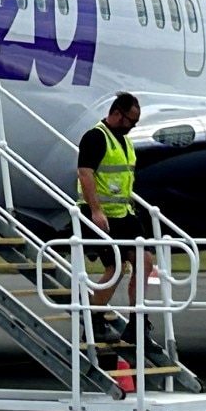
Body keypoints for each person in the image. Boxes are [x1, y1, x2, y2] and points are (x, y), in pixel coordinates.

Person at [75, 92, 150, 343]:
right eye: (131, 121)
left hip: (123, 213)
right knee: (116, 268)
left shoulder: (124, 141)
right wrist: (96, 211)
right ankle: (94, 319)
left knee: (145, 261)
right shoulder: (96, 137)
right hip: (100, 214)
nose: (133, 126)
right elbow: (85, 174)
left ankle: (137, 321)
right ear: (117, 113)